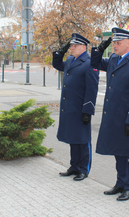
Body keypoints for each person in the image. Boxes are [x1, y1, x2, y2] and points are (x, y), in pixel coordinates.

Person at [91, 27, 129, 201]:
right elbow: (95, 63)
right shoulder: (114, 58)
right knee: (118, 151)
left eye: (118, 42)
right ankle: (120, 183)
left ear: (128, 44)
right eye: (113, 42)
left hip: (126, 116)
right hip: (112, 114)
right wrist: (99, 49)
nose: (114, 45)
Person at [52, 33, 99, 181]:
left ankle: (83, 169)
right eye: (71, 45)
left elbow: (92, 89)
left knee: (83, 140)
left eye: (74, 46)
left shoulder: (89, 63)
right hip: (69, 107)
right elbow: (57, 65)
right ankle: (74, 166)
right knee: (73, 138)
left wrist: (88, 110)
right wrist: (60, 52)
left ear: (84, 47)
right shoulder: (71, 59)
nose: (72, 48)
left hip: (80, 108)